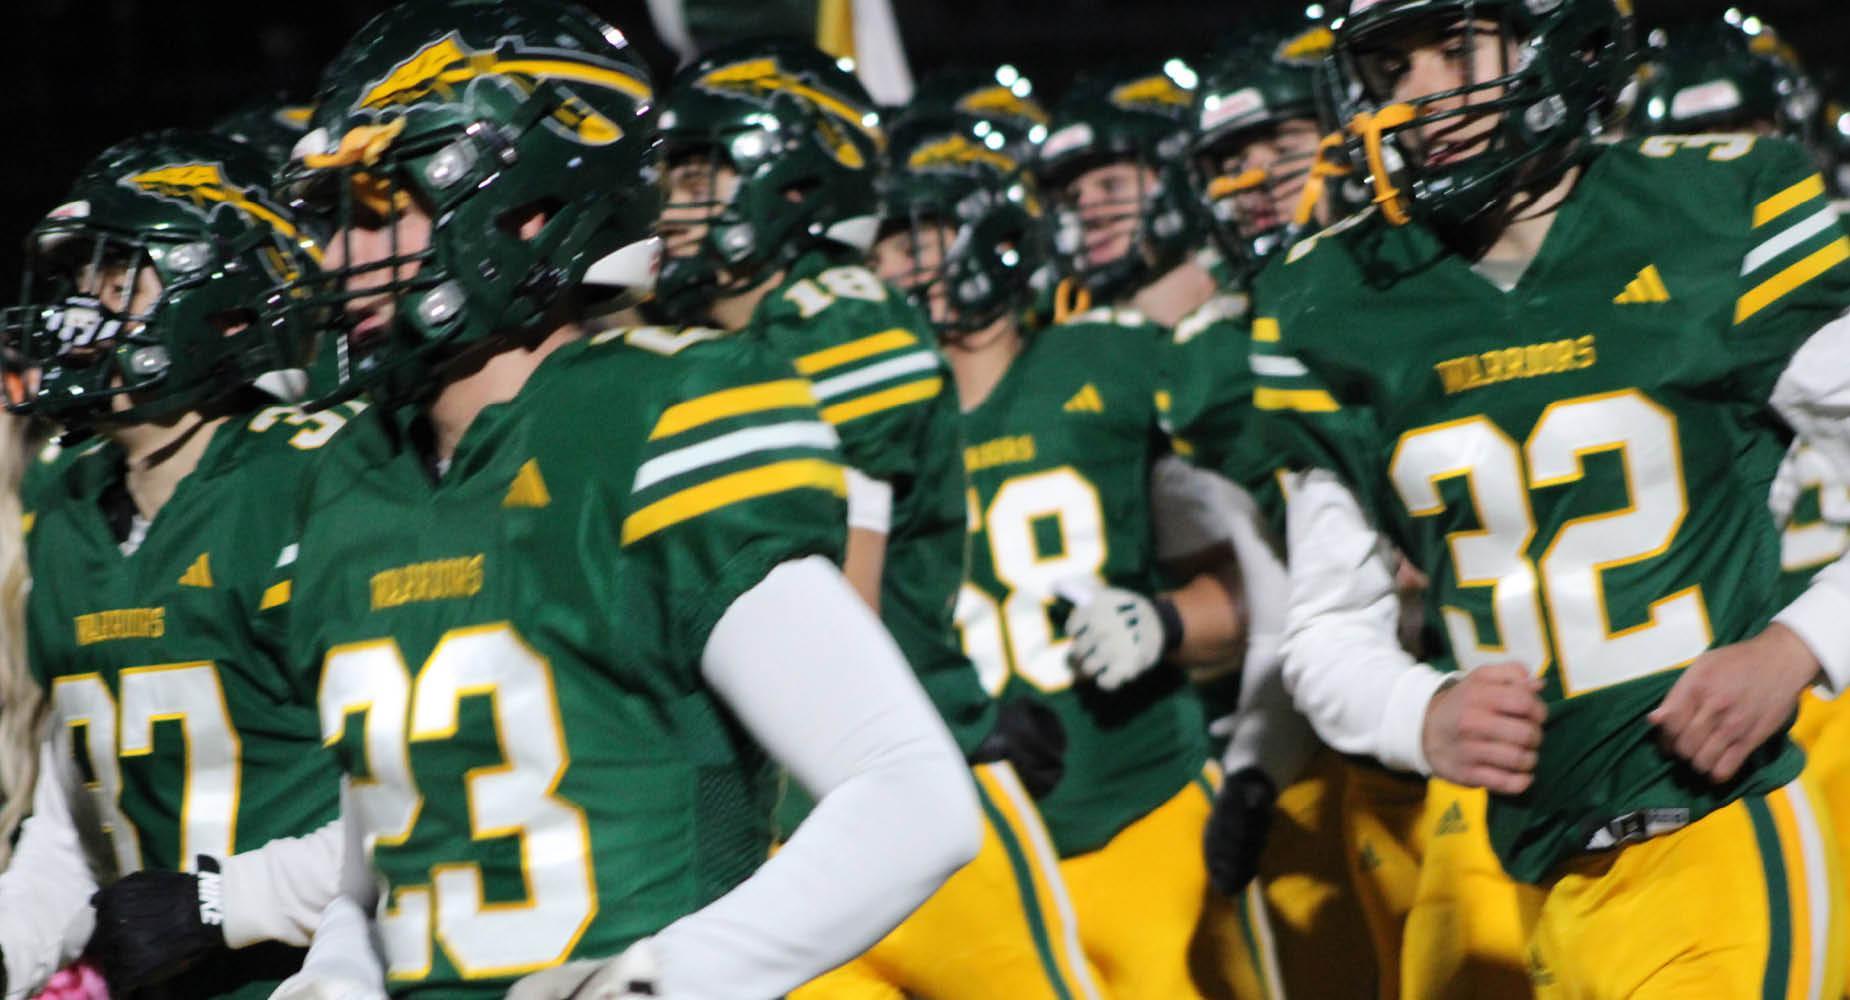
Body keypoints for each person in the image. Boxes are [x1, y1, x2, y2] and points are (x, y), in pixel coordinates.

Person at [171, 2, 979, 997]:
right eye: (334, 216)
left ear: (529, 207)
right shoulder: (351, 472)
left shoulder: (654, 417)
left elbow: (911, 793)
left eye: (379, 210)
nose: (335, 256)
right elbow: (387, 869)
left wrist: (655, 983)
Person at [1256, 0, 1850, 995]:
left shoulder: (1717, 209)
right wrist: (1419, 708)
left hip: (1718, 840)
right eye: (1390, 63)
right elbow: (1320, 626)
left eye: (1453, 47)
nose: (1417, 92)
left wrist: (1797, 645)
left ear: (1554, 32)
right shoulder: (1336, 300)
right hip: (1529, 876)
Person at [652, 42, 1098, 1000]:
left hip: (904, 786)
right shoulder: (698, 343)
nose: (673, 204)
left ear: (789, 174)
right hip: (784, 822)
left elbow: (836, 610)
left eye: (701, 173)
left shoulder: (842, 317)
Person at [0, 129, 343, 998]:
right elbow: (77, 822)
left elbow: (419, 793)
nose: (83, 306)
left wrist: (231, 902)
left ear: (220, 302)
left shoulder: (316, 480)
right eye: (81, 277)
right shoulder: (69, 500)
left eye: (119, 276)